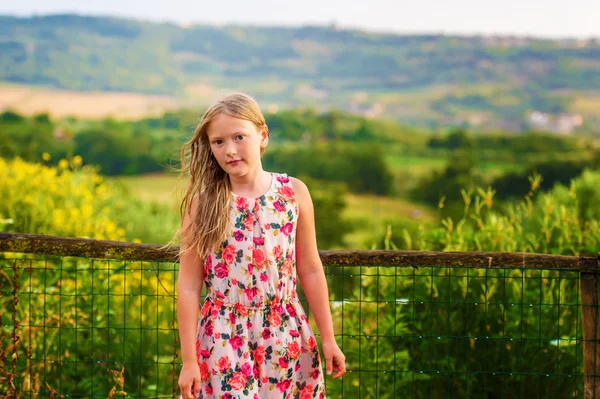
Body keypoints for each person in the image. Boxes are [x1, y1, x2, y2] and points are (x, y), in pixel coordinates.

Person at [173, 93, 346, 399]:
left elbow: (310, 268)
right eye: (218, 142)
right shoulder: (203, 204)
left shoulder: (293, 193)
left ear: (263, 136)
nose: (230, 150)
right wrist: (189, 361)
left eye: (240, 137)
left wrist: (329, 338)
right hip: (222, 340)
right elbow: (188, 285)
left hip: (285, 334)